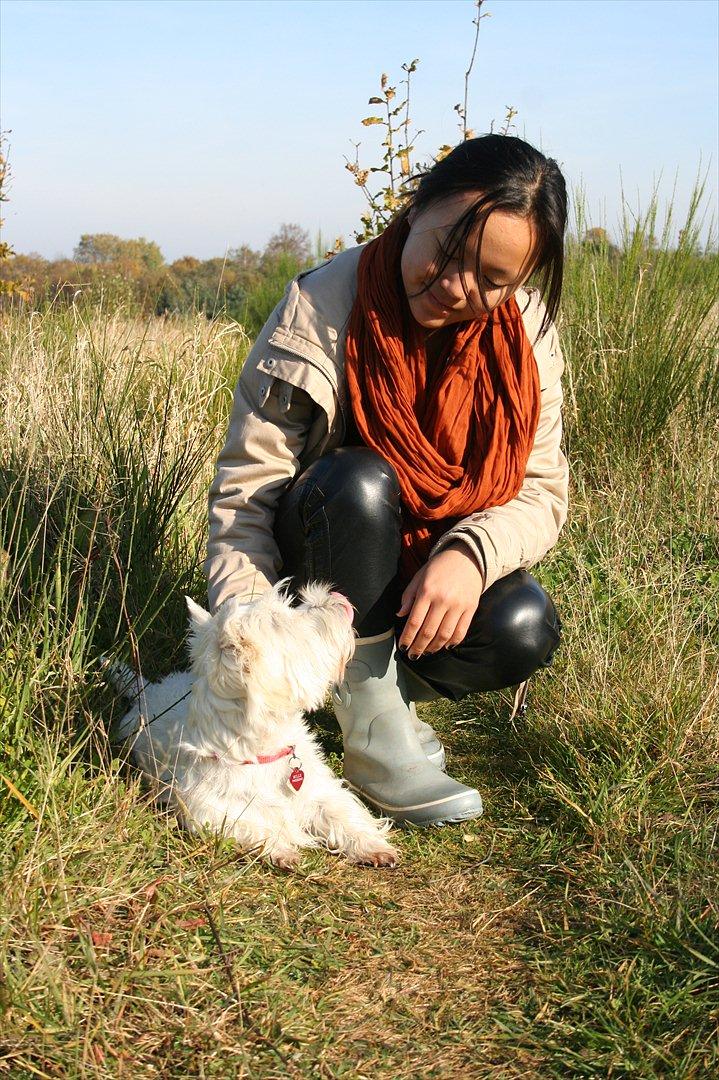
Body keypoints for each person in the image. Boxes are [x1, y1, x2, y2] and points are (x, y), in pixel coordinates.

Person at [204, 134, 569, 828]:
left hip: (424, 575)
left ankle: (381, 701)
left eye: (492, 280)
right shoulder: (319, 308)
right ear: (415, 205)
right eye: (447, 252)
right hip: (320, 557)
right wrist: (250, 631)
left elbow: (541, 491)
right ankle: (374, 735)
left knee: (523, 627)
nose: (459, 286)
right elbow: (245, 499)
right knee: (360, 479)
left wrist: (469, 556)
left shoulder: (527, 333)